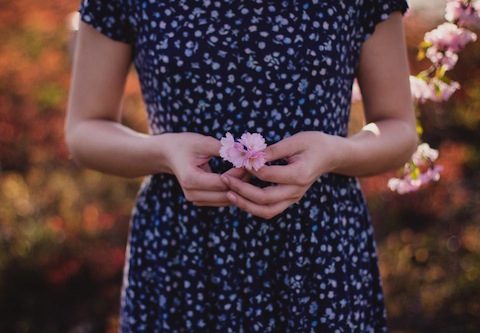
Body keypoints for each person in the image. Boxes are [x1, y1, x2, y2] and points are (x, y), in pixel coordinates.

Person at [66, 0, 417, 332]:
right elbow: (84, 130)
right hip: (183, 250)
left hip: (317, 249)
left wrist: (334, 152)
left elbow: (398, 128)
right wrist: (163, 151)